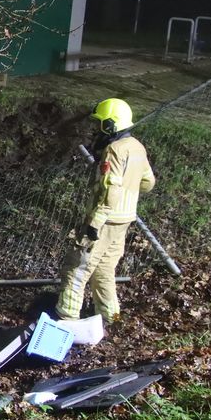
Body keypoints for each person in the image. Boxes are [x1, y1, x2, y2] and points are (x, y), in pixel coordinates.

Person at [55, 98, 156, 324]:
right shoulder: (137, 147)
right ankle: (112, 318)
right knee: (104, 271)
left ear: (110, 125)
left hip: (105, 221)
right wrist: (129, 190)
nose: (97, 129)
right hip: (124, 219)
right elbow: (148, 183)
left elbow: (111, 190)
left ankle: (66, 320)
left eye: (100, 124)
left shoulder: (114, 150)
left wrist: (95, 223)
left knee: (76, 269)